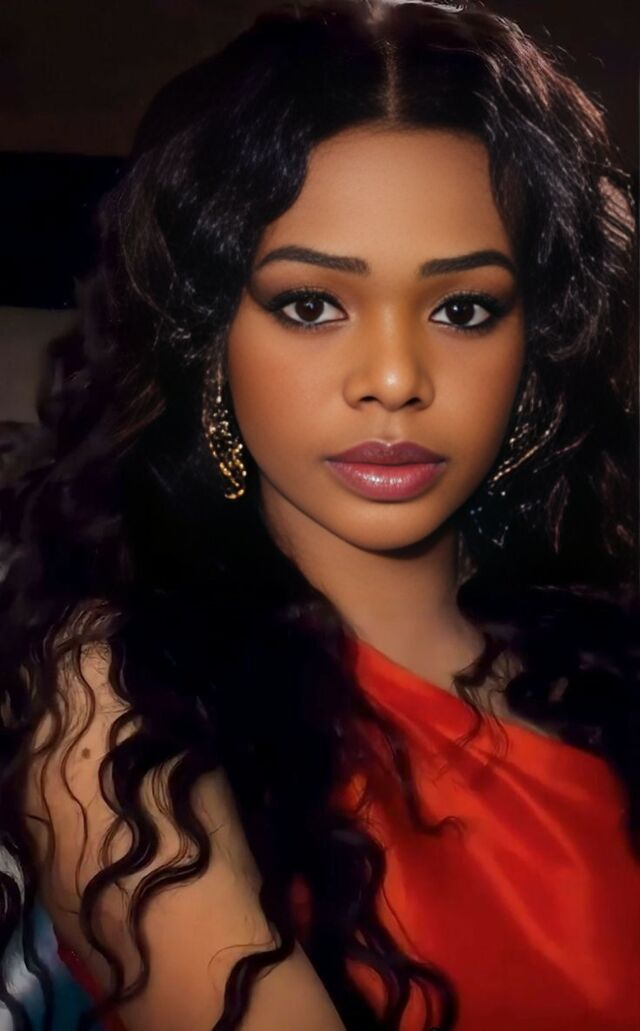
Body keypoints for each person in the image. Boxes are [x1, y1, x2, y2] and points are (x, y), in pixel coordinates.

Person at [0, 1, 637, 1028]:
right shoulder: (121, 696)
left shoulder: (605, 665)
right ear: (207, 335)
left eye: (462, 308)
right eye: (310, 304)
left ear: (537, 346)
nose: (393, 377)